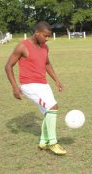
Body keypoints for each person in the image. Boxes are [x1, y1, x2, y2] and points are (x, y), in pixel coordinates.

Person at [5, 21, 67, 155]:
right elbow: (8, 66)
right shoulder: (23, 46)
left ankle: (43, 142)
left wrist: (56, 80)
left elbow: (47, 64)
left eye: (49, 36)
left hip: (43, 84)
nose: (47, 38)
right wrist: (15, 87)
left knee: (48, 112)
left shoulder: (45, 47)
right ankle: (53, 143)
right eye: (45, 36)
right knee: (53, 107)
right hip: (29, 85)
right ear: (37, 32)